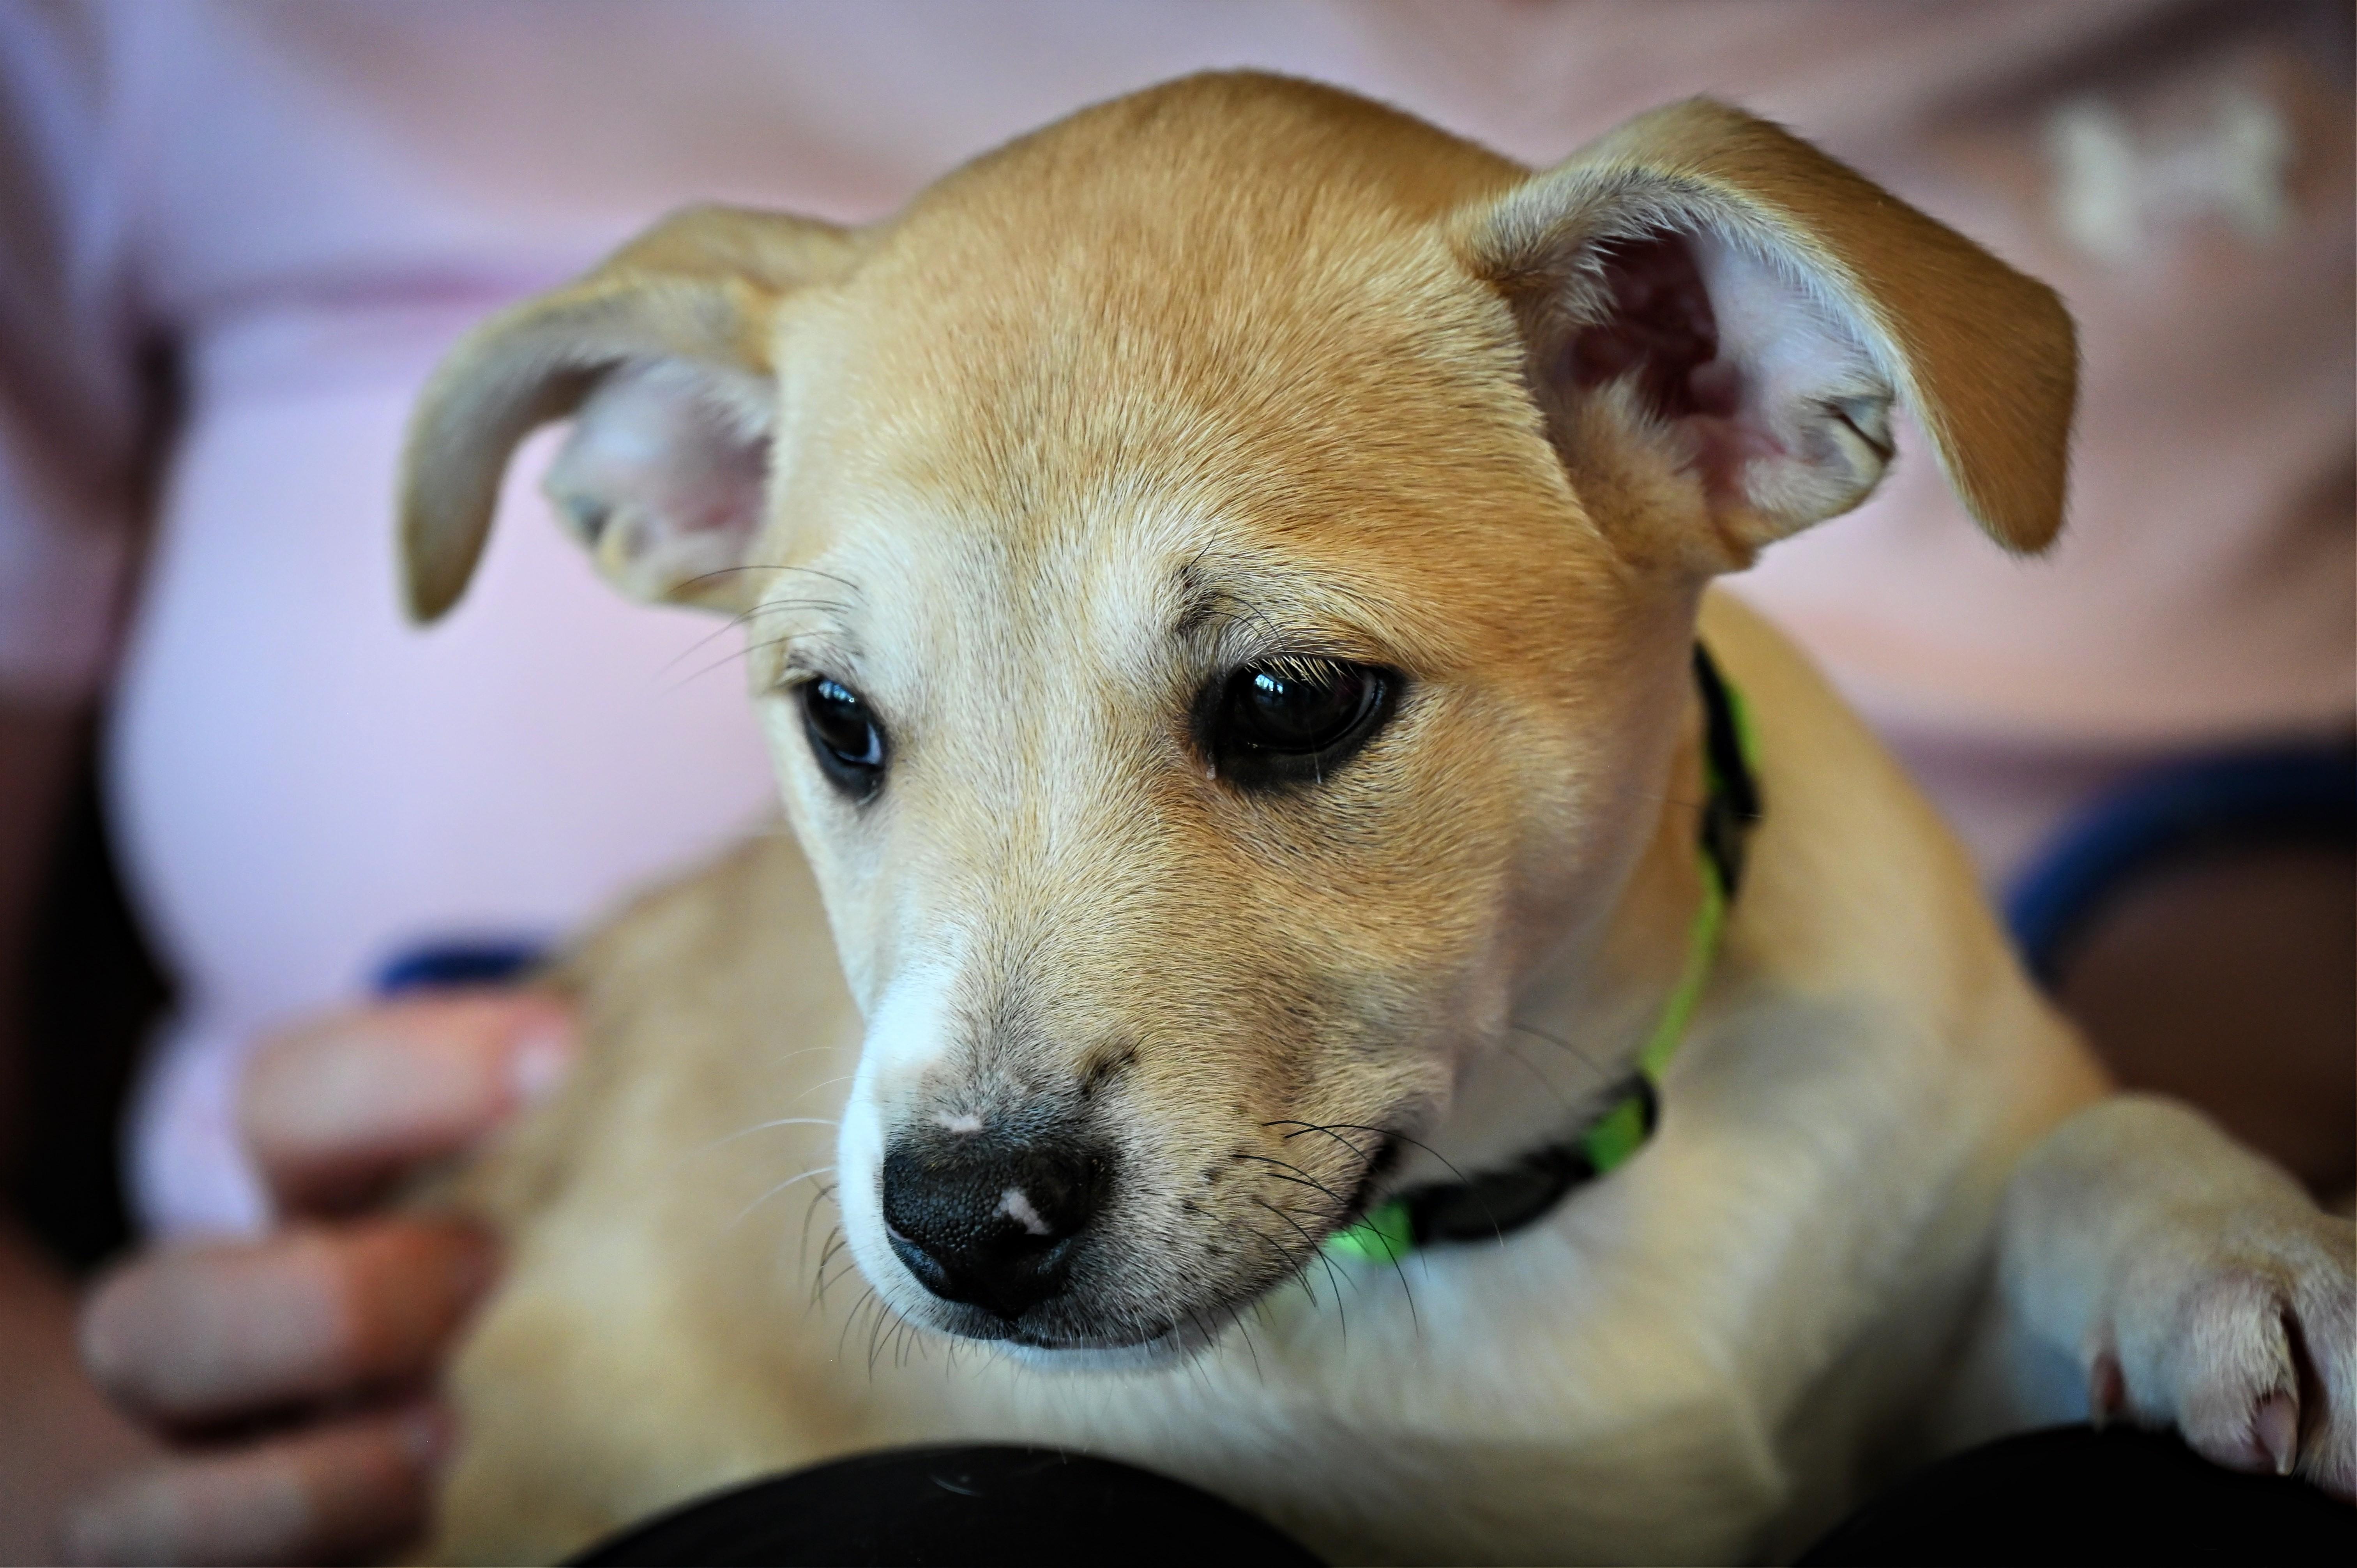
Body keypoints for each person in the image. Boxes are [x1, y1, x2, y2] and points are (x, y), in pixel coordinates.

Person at [0, 2, 2345, 1561]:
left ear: (1708, 384)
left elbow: (2018, 1230)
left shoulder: (1637, 400)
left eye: (1278, 708)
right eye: (852, 720)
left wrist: (2121, 1198)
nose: (972, 1134)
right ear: (675, 487)